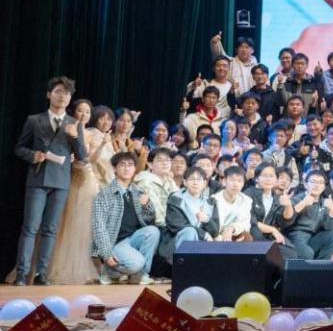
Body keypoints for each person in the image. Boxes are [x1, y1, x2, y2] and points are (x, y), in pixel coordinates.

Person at [14, 76, 89, 286]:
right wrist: (33, 155)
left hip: (61, 181)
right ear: (49, 94)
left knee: (50, 229)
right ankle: (22, 274)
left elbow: (82, 156)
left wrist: (75, 137)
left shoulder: (74, 123)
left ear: (70, 98)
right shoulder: (34, 120)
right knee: (30, 228)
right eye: (58, 92)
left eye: (66, 93)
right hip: (38, 178)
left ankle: (42, 274)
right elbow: (19, 147)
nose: (62, 96)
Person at [47, 99, 110, 285]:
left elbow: (90, 159)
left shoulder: (90, 133)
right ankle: (54, 267)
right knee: (66, 223)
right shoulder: (70, 129)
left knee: (83, 225)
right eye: (81, 111)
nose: (84, 115)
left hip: (87, 180)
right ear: (73, 112)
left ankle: (80, 266)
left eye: (87, 112)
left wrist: (101, 145)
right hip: (70, 177)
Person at [90, 151, 160, 285]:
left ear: (135, 169)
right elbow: (99, 227)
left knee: (153, 231)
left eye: (130, 165)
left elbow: (149, 221)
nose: (127, 168)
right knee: (137, 263)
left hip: (132, 239)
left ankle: (140, 275)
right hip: (114, 243)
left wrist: (147, 205)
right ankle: (109, 271)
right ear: (114, 168)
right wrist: (106, 254)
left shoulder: (138, 192)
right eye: (122, 165)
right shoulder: (105, 194)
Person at [164, 166, 220, 251]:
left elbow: (215, 232)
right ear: (185, 182)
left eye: (199, 180)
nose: (195, 183)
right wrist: (204, 234)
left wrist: (207, 220)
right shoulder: (175, 199)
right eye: (192, 179)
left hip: (203, 245)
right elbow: (176, 225)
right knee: (189, 231)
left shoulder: (210, 202)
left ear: (204, 183)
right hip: (176, 243)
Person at [286, 169, 333, 259]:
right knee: (307, 253)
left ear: (324, 187)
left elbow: (329, 227)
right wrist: (303, 204)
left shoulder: (325, 202)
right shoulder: (298, 199)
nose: (316, 185)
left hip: (313, 236)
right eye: (313, 182)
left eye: (320, 182)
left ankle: (321, 266)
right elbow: (286, 221)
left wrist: (332, 211)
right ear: (306, 184)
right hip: (296, 236)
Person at [213, 165, 254, 242]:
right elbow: (211, 228)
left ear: (243, 183)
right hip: (216, 238)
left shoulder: (246, 200)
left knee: (246, 236)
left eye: (239, 181)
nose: (236, 184)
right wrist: (223, 240)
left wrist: (232, 228)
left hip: (234, 235)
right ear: (224, 181)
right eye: (232, 180)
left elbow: (246, 225)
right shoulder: (214, 200)